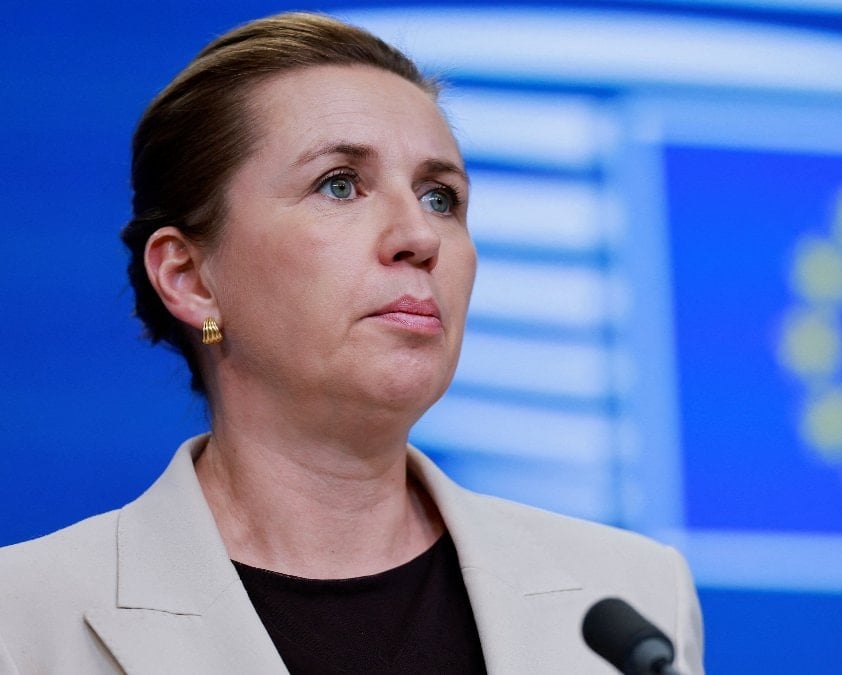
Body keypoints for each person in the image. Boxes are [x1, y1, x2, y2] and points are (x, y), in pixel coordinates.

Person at [0, 12, 703, 674]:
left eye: (440, 198)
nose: (420, 237)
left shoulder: (631, 600)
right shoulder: (26, 618)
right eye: (340, 185)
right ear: (190, 279)